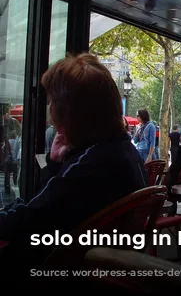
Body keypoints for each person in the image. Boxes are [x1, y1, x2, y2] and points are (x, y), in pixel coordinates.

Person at [0, 53, 147, 282]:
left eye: (51, 102)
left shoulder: (92, 164)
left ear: (68, 112)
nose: (48, 110)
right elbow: (54, 207)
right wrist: (57, 164)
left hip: (53, 272)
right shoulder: (123, 152)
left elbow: (31, 219)